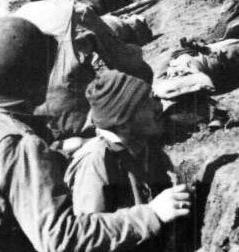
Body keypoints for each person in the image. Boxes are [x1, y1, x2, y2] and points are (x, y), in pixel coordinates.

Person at [0, 17, 190, 251]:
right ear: (35, 81)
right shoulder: (20, 144)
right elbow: (60, 240)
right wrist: (150, 215)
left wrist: (55, 152)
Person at [11, 0, 153, 143]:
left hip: (34, 127)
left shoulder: (11, 24)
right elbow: (121, 57)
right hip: (79, 121)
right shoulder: (78, 11)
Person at [66, 72, 177, 252]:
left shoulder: (144, 146)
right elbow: (89, 241)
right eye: (146, 103)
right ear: (123, 124)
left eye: (153, 98)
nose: (158, 106)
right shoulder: (96, 163)